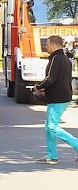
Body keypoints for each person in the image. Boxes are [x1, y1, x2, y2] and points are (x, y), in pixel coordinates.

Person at [33, 35, 78, 164]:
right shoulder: (64, 59)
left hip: (58, 98)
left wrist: (38, 87)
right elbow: (59, 80)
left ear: (53, 45)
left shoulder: (56, 59)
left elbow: (50, 78)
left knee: (52, 127)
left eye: (47, 44)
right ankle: (51, 156)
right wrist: (45, 90)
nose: (45, 47)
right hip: (61, 96)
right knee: (48, 127)